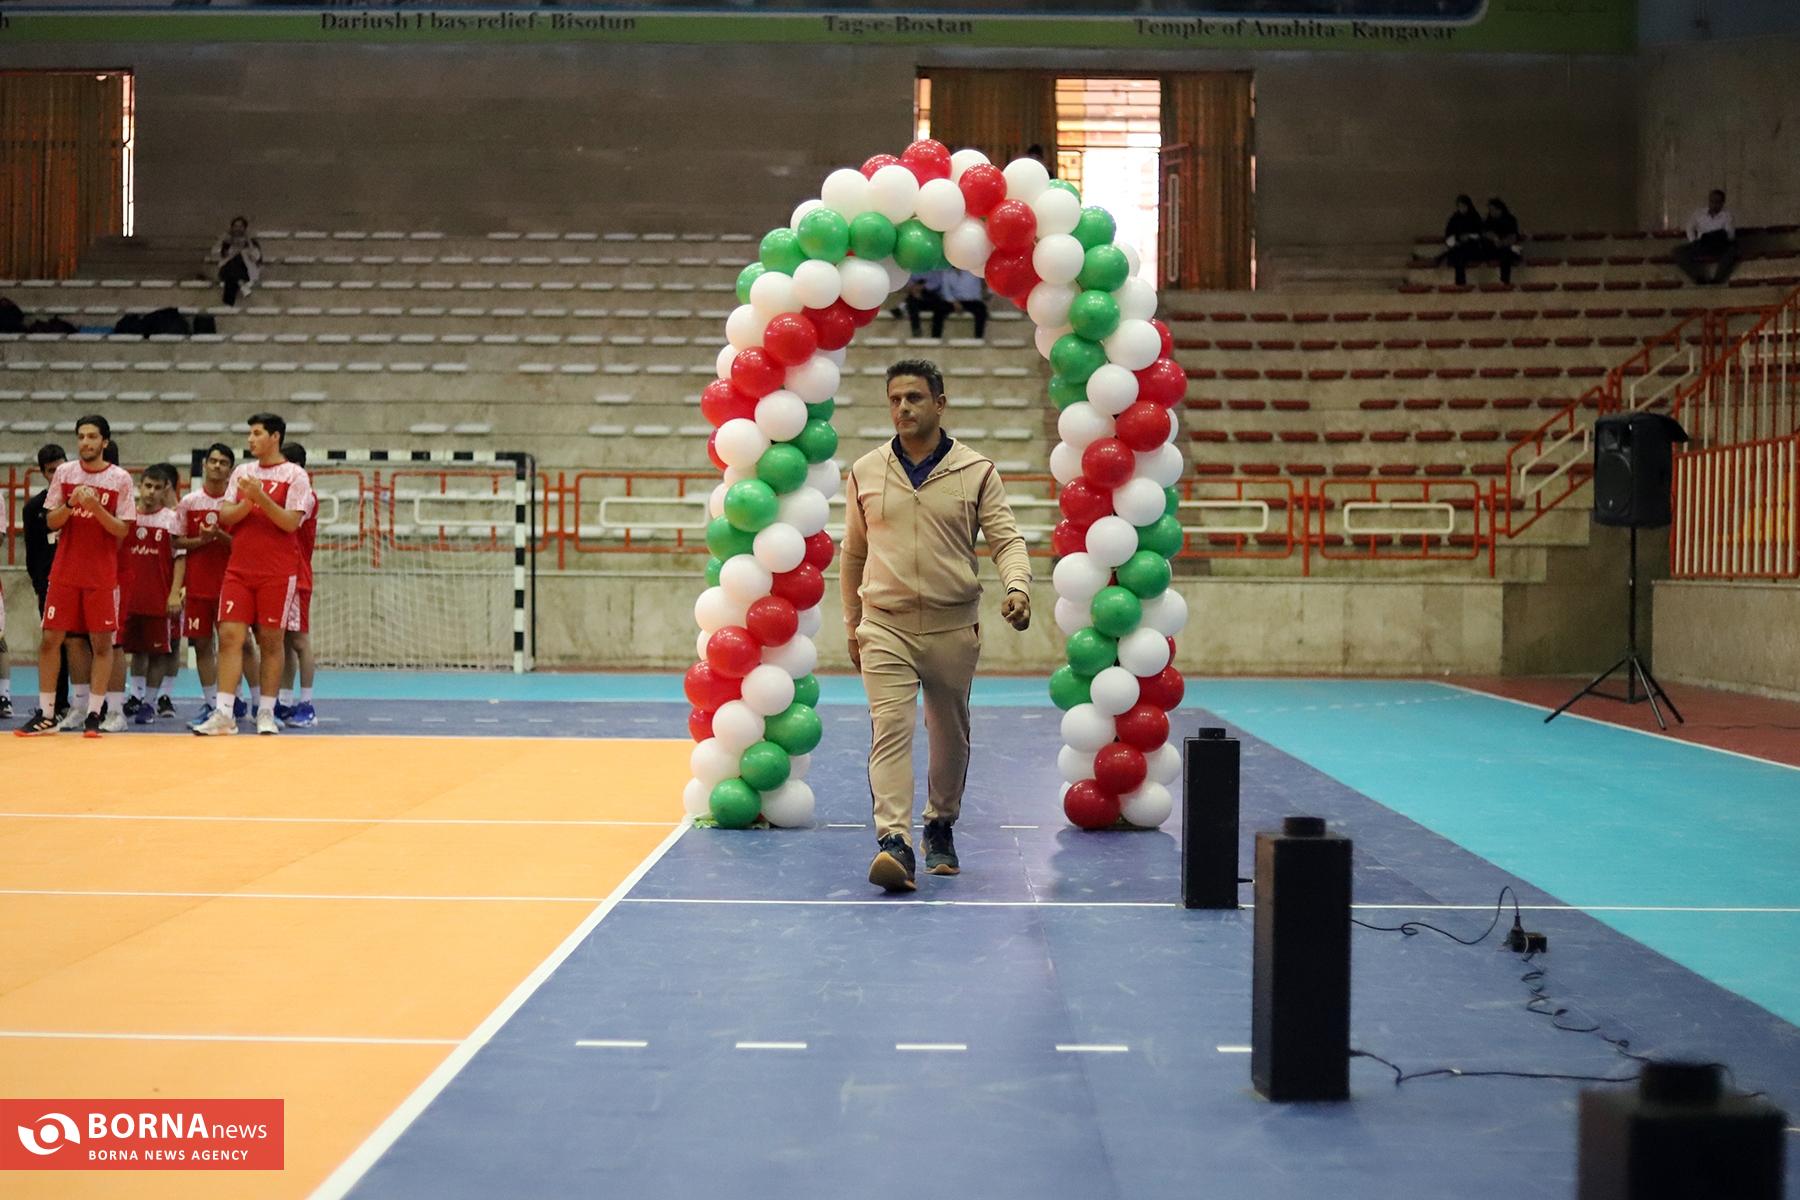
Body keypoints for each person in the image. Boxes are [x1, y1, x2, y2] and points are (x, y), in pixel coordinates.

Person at [841, 359, 1033, 892]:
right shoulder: (865, 470)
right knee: (890, 727)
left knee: (949, 733)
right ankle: (894, 843)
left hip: (953, 626)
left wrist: (1017, 586)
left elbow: (1007, 540)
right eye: (895, 399)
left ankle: (940, 824)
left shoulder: (978, 471)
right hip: (885, 625)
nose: (903, 408)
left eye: (915, 398)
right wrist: (852, 623)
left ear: (940, 404)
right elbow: (853, 553)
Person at [15, 416, 135, 737]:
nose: (85, 442)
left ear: (104, 442)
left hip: (101, 574)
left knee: (102, 643)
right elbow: (51, 521)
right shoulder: (65, 473)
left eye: (92, 437)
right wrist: (71, 503)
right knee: (51, 640)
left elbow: (122, 529)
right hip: (65, 571)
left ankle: (94, 714)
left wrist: (96, 508)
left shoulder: (120, 479)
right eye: (81, 436)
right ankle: (47, 714)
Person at [192, 412, 311, 737]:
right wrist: (248, 502)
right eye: (250, 433)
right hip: (238, 570)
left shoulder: (295, 475)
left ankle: (266, 712)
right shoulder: (243, 472)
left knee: (271, 642)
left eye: (257, 433)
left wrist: (260, 498)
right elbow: (226, 514)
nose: (250, 439)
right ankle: (224, 713)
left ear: (275, 437)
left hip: (277, 572)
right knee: (230, 637)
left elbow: (290, 522)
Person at [119, 465, 185, 727]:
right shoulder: (127, 517)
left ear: (165, 490)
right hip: (131, 597)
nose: (151, 492)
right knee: (136, 652)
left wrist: (174, 593)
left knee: (158, 653)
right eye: (147, 486)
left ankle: (150, 702)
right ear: (140, 486)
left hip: (159, 597)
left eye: (157, 487)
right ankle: (135, 697)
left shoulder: (171, 519)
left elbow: (180, 559)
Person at [176, 443, 236, 722]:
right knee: (201, 645)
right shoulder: (189, 502)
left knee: (235, 645)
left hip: (230, 585)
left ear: (230, 470)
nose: (216, 466)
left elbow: (243, 545)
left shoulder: (235, 504)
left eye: (223, 462)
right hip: (198, 586)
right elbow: (176, 542)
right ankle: (212, 703)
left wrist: (219, 536)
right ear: (204, 465)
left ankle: (240, 701)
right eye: (213, 461)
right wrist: (202, 540)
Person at [21, 444, 72, 721]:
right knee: (54, 643)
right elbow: (32, 551)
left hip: (82, 581)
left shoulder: (84, 501)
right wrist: (39, 584)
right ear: (43, 473)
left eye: (61, 468)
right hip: (50, 584)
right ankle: (58, 704)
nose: (57, 475)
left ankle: (92, 705)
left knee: (84, 645)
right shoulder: (33, 508)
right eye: (51, 471)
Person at [276, 443, 319, 729]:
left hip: (297, 576)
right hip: (280, 574)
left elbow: (286, 524)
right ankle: (284, 701)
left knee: (300, 641)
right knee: (284, 642)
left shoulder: (306, 496)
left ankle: (307, 705)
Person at [1673, 189, 1739, 285]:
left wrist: (1717, 237)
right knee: (1677, 252)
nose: (1714, 204)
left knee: (1732, 251)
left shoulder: (1727, 216)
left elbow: (1730, 235)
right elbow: (1689, 227)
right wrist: (1693, 241)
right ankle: (1698, 278)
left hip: (1720, 246)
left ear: (1722, 203)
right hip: (1702, 244)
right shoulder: (1699, 213)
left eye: (1717, 202)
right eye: (1712, 201)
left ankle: (1717, 279)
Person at [216, 215, 263, 307]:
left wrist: (248, 243)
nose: (238, 228)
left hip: (246, 272)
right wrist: (231, 247)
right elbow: (220, 258)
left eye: (240, 226)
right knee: (231, 266)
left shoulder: (251, 243)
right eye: (235, 226)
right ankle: (241, 283)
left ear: (245, 228)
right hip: (227, 270)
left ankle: (228, 303)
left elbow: (256, 258)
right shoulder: (227, 243)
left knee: (233, 270)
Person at [1440, 194, 1485, 285]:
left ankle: (1461, 283)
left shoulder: (1475, 217)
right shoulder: (1454, 218)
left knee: (1459, 256)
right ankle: (1460, 283)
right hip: (1458, 247)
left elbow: (1480, 234)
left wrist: (1469, 236)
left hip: (1472, 248)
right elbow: (1449, 235)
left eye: (1463, 206)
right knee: (1457, 255)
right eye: (1459, 206)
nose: (1462, 208)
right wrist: (1454, 242)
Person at [932, 268, 988, 339]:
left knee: (981, 309)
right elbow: (945, 291)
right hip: (953, 301)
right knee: (939, 309)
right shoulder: (947, 273)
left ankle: (978, 338)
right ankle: (935, 338)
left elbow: (976, 292)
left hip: (971, 301)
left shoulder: (972, 272)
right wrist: (954, 302)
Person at [1484, 197, 1524, 285]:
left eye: (1493, 210)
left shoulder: (1510, 220)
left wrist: (1502, 243)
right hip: (1494, 248)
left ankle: (1505, 281)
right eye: (1490, 210)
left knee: (1506, 254)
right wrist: (1494, 238)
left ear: (1499, 209)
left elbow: (1513, 237)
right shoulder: (1489, 220)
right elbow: (1486, 233)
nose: (1491, 212)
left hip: (1508, 248)